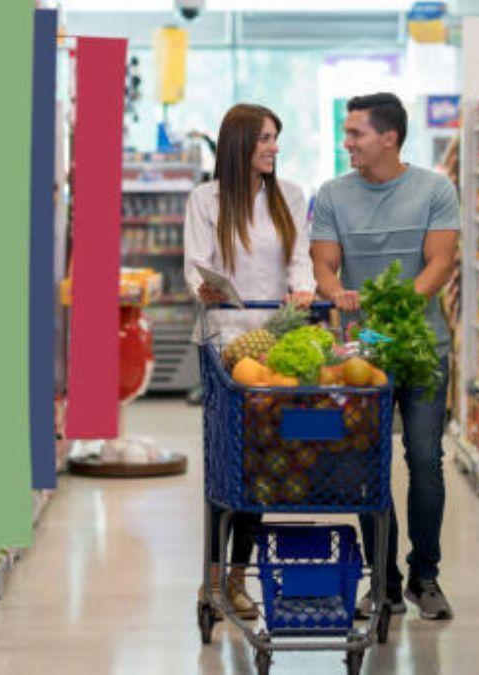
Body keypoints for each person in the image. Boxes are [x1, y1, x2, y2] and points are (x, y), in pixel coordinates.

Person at [311, 92, 460, 621]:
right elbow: (325, 265)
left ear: (389, 137)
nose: (346, 142)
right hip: (362, 357)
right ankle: (386, 581)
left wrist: (396, 309)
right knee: (367, 467)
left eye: (355, 134)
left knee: (425, 460)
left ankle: (426, 575)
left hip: (422, 346)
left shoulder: (434, 189)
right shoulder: (331, 195)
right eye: (347, 133)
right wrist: (335, 292)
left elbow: (440, 263)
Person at [184, 103, 316, 618]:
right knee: (225, 466)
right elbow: (196, 266)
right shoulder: (206, 200)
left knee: (260, 467)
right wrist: (204, 289)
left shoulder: (291, 196)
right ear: (239, 142)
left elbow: (300, 259)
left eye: (276, 137)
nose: (273, 146)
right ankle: (211, 579)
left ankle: (238, 579)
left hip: (272, 348)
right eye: (264, 137)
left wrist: (302, 290)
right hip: (222, 346)